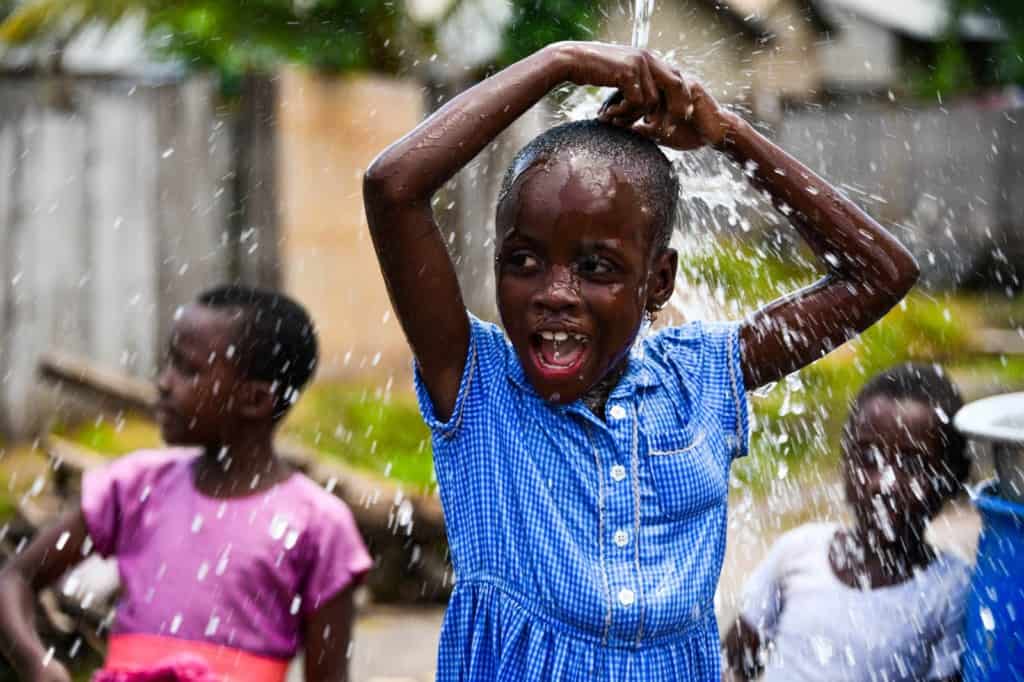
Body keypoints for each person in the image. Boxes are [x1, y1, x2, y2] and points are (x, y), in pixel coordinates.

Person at [362, 41, 920, 681]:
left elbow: (880, 273)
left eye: (596, 267)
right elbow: (391, 187)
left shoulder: (700, 379)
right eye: (523, 261)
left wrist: (730, 134)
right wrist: (560, 63)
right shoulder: (479, 385)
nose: (554, 293)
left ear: (658, 282)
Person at [0, 286, 372, 682]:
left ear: (255, 400)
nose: (163, 383)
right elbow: (15, 578)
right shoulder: (137, 487)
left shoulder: (318, 525)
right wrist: (37, 665)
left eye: (188, 369)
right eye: (168, 364)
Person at [723, 364, 971, 682]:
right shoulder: (797, 553)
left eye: (912, 463)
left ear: (951, 479)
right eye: (868, 458)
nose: (886, 482)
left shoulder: (949, 589)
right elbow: (730, 667)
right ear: (845, 461)